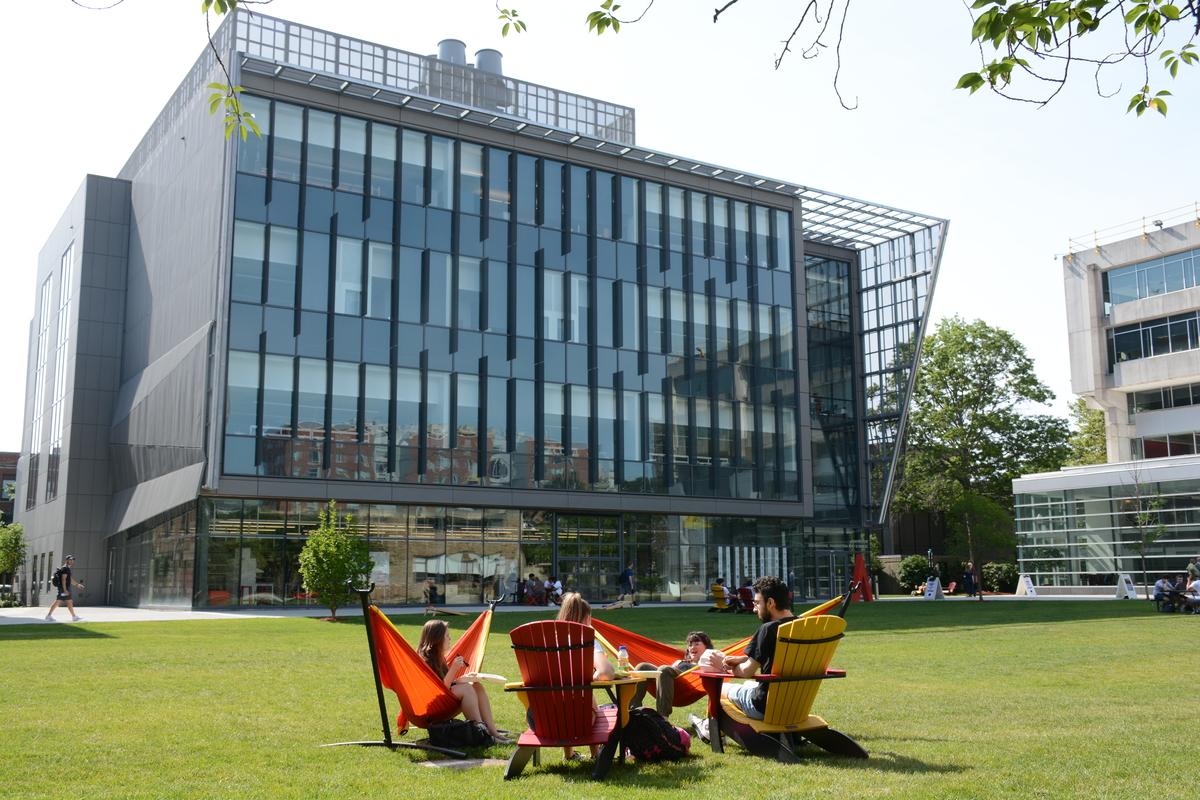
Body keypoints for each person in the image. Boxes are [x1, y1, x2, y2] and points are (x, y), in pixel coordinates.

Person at [417, 619, 509, 743]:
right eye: (447, 636)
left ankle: (493, 731)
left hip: (443, 701)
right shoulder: (425, 660)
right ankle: (482, 734)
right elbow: (439, 689)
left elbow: (446, 684)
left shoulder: (439, 657)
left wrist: (463, 679)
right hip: (433, 708)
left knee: (476, 686)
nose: (450, 639)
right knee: (466, 689)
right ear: (437, 639)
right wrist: (454, 669)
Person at [719, 576, 797, 721]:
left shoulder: (768, 629)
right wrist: (742, 658)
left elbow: (746, 672)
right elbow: (776, 655)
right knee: (749, 685)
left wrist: (731, 669)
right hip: (796, 705)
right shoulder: (803, 626)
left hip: (764, 707)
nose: (755, 609)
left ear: (770, 603)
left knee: (721, 689)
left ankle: (710, 729)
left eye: (757, 603)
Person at [556, 592, 614, 760]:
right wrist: (592, 676)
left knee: (570, 695)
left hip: (543, 717)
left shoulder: (546, 641)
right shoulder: (587, 640)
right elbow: (606, 672)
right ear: (586, 618)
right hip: (580, 719)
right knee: (587, 700)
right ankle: (595, 754)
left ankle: (569, 754)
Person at [631, 631, 718, 716]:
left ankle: (662, 716)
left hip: (685, 689)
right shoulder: (679, 662)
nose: (692, 647)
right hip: (669, 685)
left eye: (696, 644)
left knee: (664, 669)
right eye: (690, 645)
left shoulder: (707, 665)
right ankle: (632, 710)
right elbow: (665, 675)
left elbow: (720, 668)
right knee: (642, 667)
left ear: (706, 647)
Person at [45, 555, 84, 622]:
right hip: (63, 588)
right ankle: (49, 616)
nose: (72, 561)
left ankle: (73, 616)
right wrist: (65, 590)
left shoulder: (66, 568)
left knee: (65, 602)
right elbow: (63, 579)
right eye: (70, 560)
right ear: (66, 560)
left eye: (72, 560)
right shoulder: (65, 568)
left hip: (64, 588)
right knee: (63, 602)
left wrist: (77, 585)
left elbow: (70, 579)